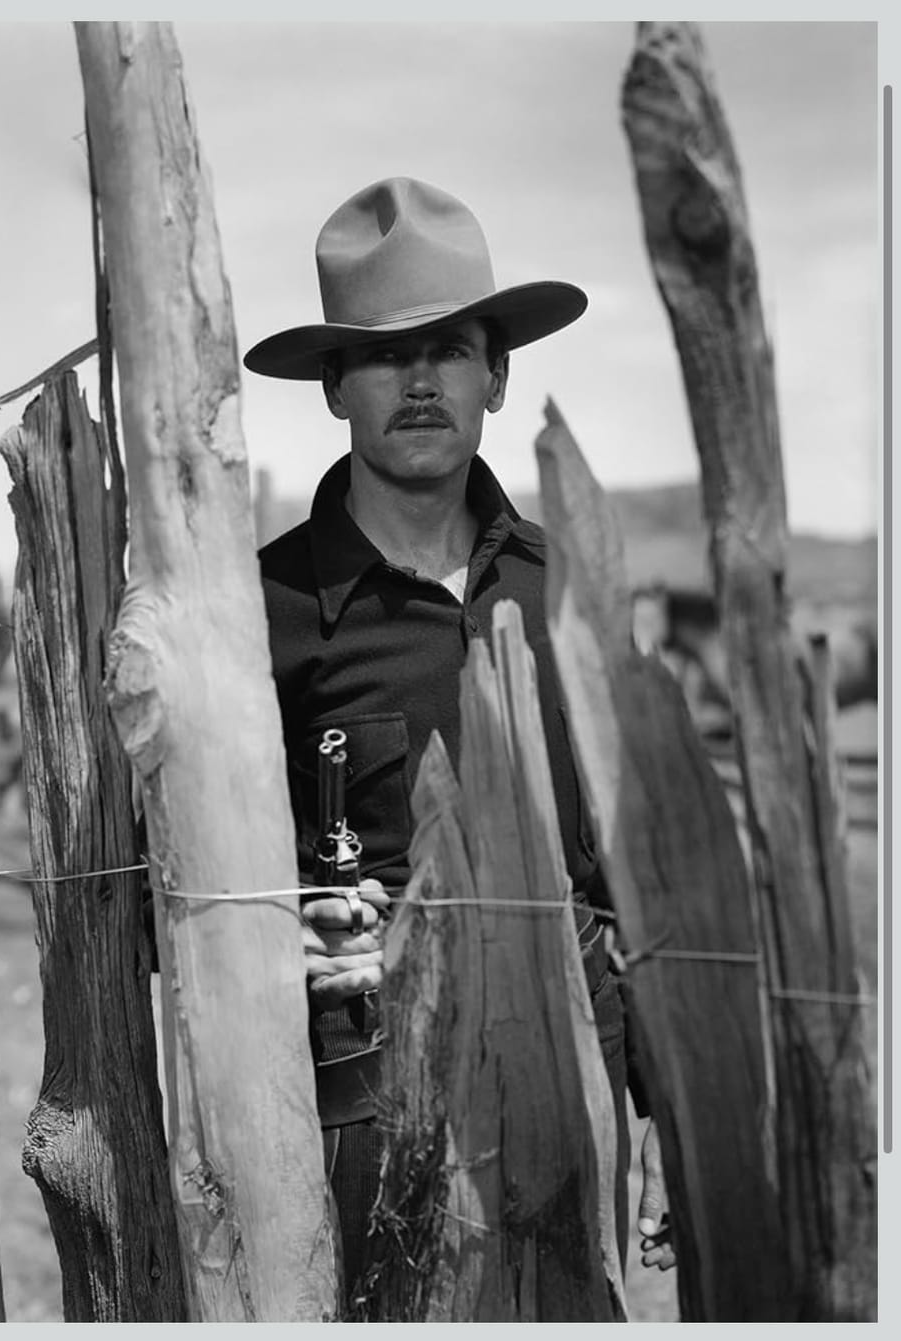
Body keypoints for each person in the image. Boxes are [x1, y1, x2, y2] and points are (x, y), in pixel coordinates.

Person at [244, 177, 674, 1296]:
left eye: (450, 348)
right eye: (386, 355)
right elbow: (195, 907)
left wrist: (663, 1107)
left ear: (498, 371)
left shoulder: (568, 592)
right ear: (335, 386)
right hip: (363, 1132)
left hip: (578, 1102)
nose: (421, 379)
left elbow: (634, 877)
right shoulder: (264, 617)